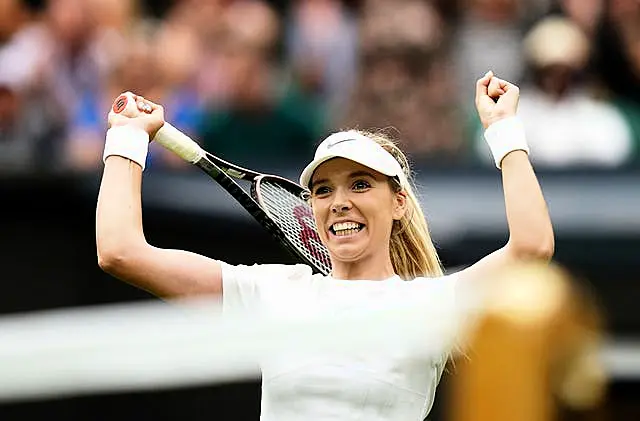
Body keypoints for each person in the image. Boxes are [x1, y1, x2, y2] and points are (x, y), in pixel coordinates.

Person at [96, 70, 554, 421]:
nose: (338, 203)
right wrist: (127, 137)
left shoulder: (430, 302)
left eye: (359, 184)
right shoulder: (270, 292)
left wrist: (503, 129)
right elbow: (120, 251)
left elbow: (531, 247)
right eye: (323, 190)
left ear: (398, 204)